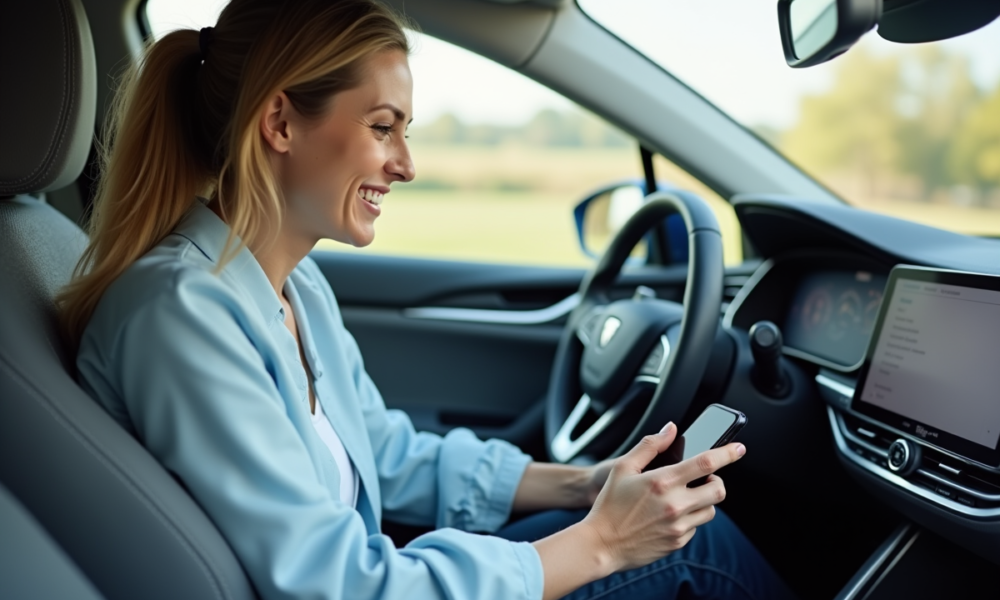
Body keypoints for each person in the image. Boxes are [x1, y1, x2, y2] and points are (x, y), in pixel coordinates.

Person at [58, 1, 795, 598]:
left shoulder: (292, 286)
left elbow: (388, 454)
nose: (406, 165)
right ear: (280, 123)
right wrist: (602, 540)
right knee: (701, 558)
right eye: (383, 128)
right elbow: (339, 584)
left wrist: (586, 484)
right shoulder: (180, 315)